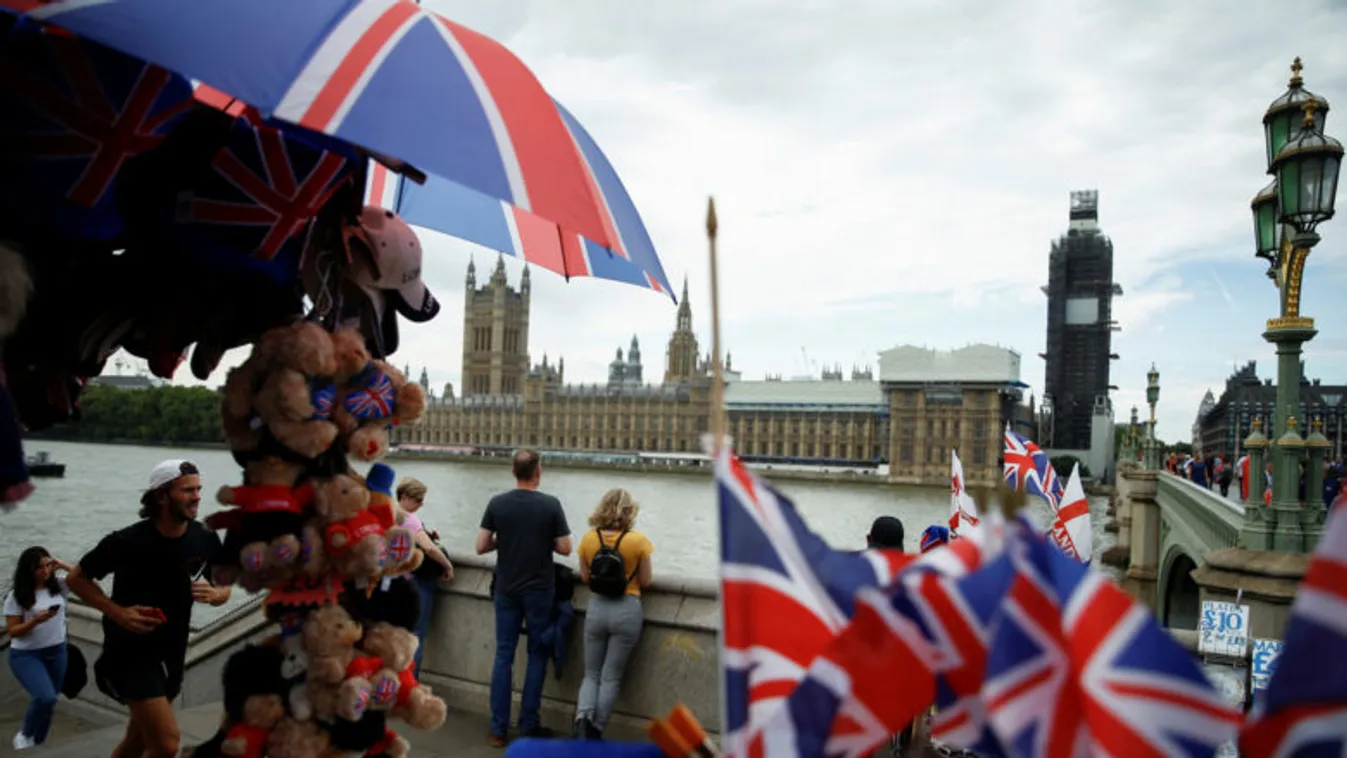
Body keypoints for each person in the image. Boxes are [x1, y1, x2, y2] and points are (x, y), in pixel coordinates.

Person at [65, 460, 230, 758]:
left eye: (198, 489)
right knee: (167, 744)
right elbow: (76, 579)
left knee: (138, 742)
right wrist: (117, 612)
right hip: (129, 653)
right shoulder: (126, 541)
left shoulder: (204, 537)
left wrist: (218, 594)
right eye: (187, 490)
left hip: (172, 652)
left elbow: (225, 584)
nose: (197, 497)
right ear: (161, 496)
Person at [476, 449, 572, 747]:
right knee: (537, 654)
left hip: (506, 588)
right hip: (539, 590)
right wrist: (541, 538)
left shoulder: (497, 503)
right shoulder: (550, 504)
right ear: (538, 473)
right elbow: (566, 548)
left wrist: (504, 538)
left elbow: (481, 546)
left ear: (513, 472)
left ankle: (498, 729)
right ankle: (529, 725)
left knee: (503, 655)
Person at [573, 488, 654, 740]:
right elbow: (646, 580)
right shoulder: (639, 541)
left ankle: (582, 721)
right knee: (611, 676)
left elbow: (585, 577)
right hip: (627, 608)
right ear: (630, 512)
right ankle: (596, 730)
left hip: (597, 608)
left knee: (591, 673)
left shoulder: (589, 539)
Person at [4, 547, 73, 750]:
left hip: (57, 651)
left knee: (50, 702)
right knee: (45, 696)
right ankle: (25, 734)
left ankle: (38, 742)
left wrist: (63, 565)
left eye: (48, 566)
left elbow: (89, 582)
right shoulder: (17, 596)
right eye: (39, 567)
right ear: (28, 570)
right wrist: (35, 621)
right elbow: (13, 631)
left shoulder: (60, 585)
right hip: (27, 655)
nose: (45, 571)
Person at [396, 477, 454, 676]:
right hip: (415, 583)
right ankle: (411, 684)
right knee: (416, 637)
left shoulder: (388, 515)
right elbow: (429, 549)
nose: (421, 504)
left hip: (394, 583)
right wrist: (447, 565)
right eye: (418, 500)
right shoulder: (410, 519)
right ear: (404, 497)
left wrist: (427, 534)